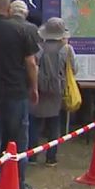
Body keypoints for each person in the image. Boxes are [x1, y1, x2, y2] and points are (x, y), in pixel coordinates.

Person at [0, 0, 38, 189]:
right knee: (18, 138)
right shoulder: (20, 30)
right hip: (16, 91)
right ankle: (18, 181)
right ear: (8, 9)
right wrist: (33, 87)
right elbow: (31, 63)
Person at [32, 18, 78, 167]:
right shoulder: (67, 49)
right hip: (58, 89)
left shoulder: (38, 47)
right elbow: (74, 69)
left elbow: (33, 66)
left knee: (35, 122)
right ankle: (51, 157)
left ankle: (32, 156)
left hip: (40, 87)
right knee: (54, 123)